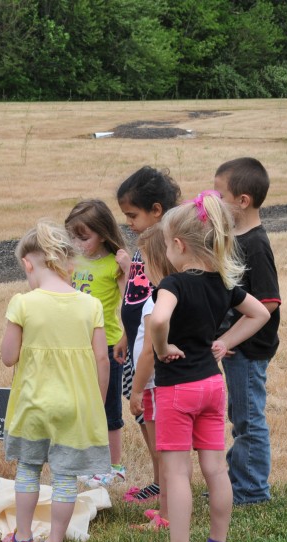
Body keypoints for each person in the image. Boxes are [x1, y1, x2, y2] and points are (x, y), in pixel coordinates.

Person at [144, 191, 270, 542]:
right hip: (213, 387)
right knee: (215, 470)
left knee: (177, 473)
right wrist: (226, 342)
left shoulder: (173, 285)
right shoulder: (223, 283)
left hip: (177, 390)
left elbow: (157, 321)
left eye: (167, 244)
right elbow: (261, 312)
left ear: (179, 245)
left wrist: (163, 348)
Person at [0, 220, 110, 542]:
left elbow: (7, 357)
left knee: (28, 471)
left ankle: (22, 539)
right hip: (74, 407)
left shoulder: (23, 303)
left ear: (28, 264)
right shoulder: (90, 305)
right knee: (64, 477)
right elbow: (102, 358)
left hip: (33, 405)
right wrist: (99, 402)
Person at [214, 157, 281, 505]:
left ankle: (252, 490)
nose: (212, 198)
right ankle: (239, 478)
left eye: (218, 193)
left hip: (249, 349)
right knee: (239, 415)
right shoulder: (234, 237)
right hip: (237, 346)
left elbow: (267, 303)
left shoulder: (255, 243)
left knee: (248, 418)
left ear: (242, 201)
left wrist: (229, 339)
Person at [113, 167, 181, 502]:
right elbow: (137, 296)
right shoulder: (144, 244)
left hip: (151, 354)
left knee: (152, 418)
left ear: (156, 210)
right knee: (143, 418)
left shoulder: (167, 249)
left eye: (132, 215)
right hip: (136, 344)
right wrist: (126, 335)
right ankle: (159, 480)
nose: (128, 222)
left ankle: (165, 485)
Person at [65, 199, 129, 486]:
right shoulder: (71, 262)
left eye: (84, 237)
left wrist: (127, 271)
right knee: (79, 405)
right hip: (75, 346)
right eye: (73, 237)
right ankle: (83, 460)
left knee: (109, 409)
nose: (78, 244)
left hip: (108, 346)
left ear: (102, 234)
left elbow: (130, 301)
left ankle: (113, 465)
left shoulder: (113, 264)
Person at [126, 225, 174, 530]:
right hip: (176, 384)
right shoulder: (177, 293)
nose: (140, 270)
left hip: (155, 388)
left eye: (144, 262)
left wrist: (137, 391)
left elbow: (147, 353)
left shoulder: (154, 300)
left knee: (164, 455)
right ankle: (168, 509)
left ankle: (167, 515)